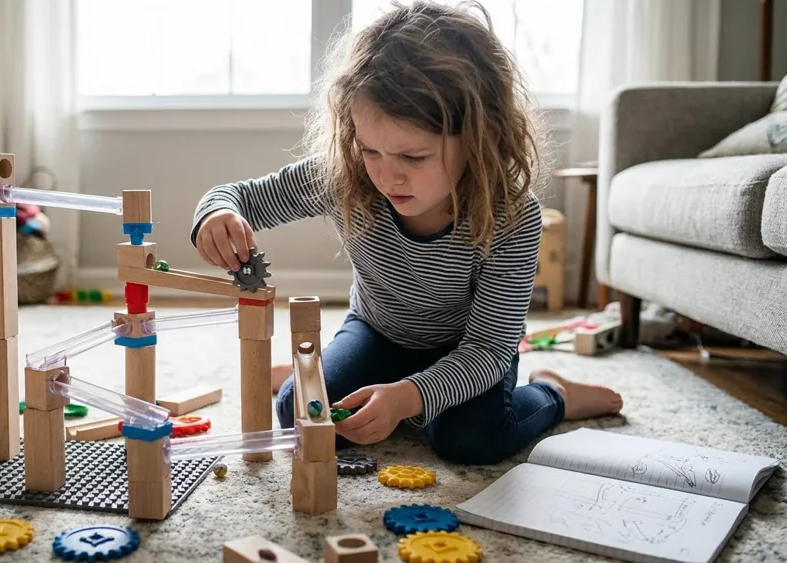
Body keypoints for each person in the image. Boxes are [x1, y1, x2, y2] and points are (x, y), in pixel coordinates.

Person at [188, 0, 622, 465]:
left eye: (412, 158)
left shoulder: (512, 217)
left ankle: (553, 392)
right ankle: (369, 390)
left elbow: (490, 350)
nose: (387, 176)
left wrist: (409, 397)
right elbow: (238, 196)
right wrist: (216, 215)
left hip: (470, 352)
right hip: (379, 332)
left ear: (479, 136)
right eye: (370, 149)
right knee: (301, 414)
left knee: (471, 441)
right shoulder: (344, 176)